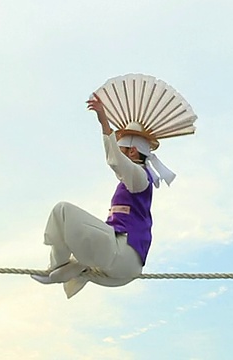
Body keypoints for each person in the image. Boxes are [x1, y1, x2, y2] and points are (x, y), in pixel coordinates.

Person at [31, 93, 176, 299]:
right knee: (70, 230)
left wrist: (104, 123)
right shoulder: (133, 181)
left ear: (133, 152)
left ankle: (58, 267)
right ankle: (67, 267)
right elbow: (118, 163)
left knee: (62, 211)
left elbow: (115, 161)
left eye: (122, 148)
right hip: (120, 264)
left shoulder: (140, 177)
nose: (119, 152)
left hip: (124, 254)